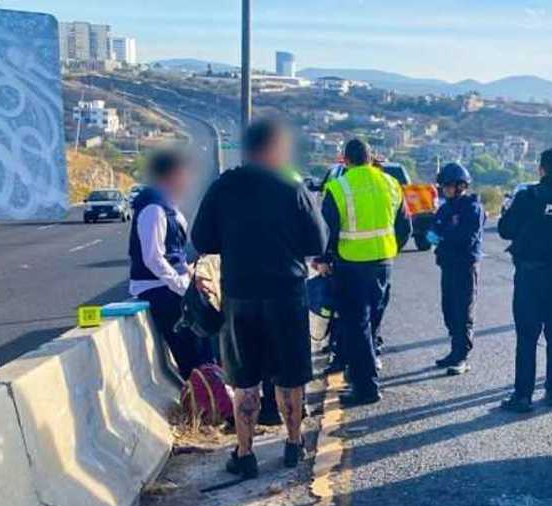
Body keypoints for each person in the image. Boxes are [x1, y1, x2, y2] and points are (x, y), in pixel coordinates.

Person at [192, 119, 327, 479]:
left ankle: (245, 453)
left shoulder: (225, 186)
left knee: (245, 379)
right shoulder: (292, 185)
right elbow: (318, 242)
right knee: (290, 375)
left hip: (241, 295)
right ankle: (294, 444)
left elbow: (202, 239)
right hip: (286, 293)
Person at [316, 138, 410, 407]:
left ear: (345, 160)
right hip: (383, 264)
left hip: (351, 265)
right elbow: (405, 228)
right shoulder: (391, 184)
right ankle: (364, 375)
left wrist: (324, 259)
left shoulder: (338, 186)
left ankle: (366, 387)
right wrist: (389, 250)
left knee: (356, 326)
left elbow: (327, 231)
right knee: (371, 322)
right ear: (371, 158)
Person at [497, 148, 552, 413]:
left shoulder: (529, 195)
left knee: (527, 337)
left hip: (531, 276)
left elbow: (505, 229)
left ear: (541, 169)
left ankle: (523, 396)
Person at [128, 149, 214, 380]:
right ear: (171, 175)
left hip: (174, 286)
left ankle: (214, 397)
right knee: (191, 351)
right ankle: (203, 401)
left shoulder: (168, 205)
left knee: (206, 342)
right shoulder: (153, 208)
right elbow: (153, 258)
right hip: (158, 289)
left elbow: (175, 255)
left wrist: (191, 277)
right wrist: (182, 286)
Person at [430, 162, 485, 376]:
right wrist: (443, 236)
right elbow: (433, 233)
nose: (444, 190)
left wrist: (444, 236)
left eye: (447, 186)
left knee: (463, 311)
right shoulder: (445, 208)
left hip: (465, 266)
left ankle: (462, 356)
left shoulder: (472, 208)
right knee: (449, 310)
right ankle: (454, 351)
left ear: (460, 185)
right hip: (447, 265)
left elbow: (466, 238)